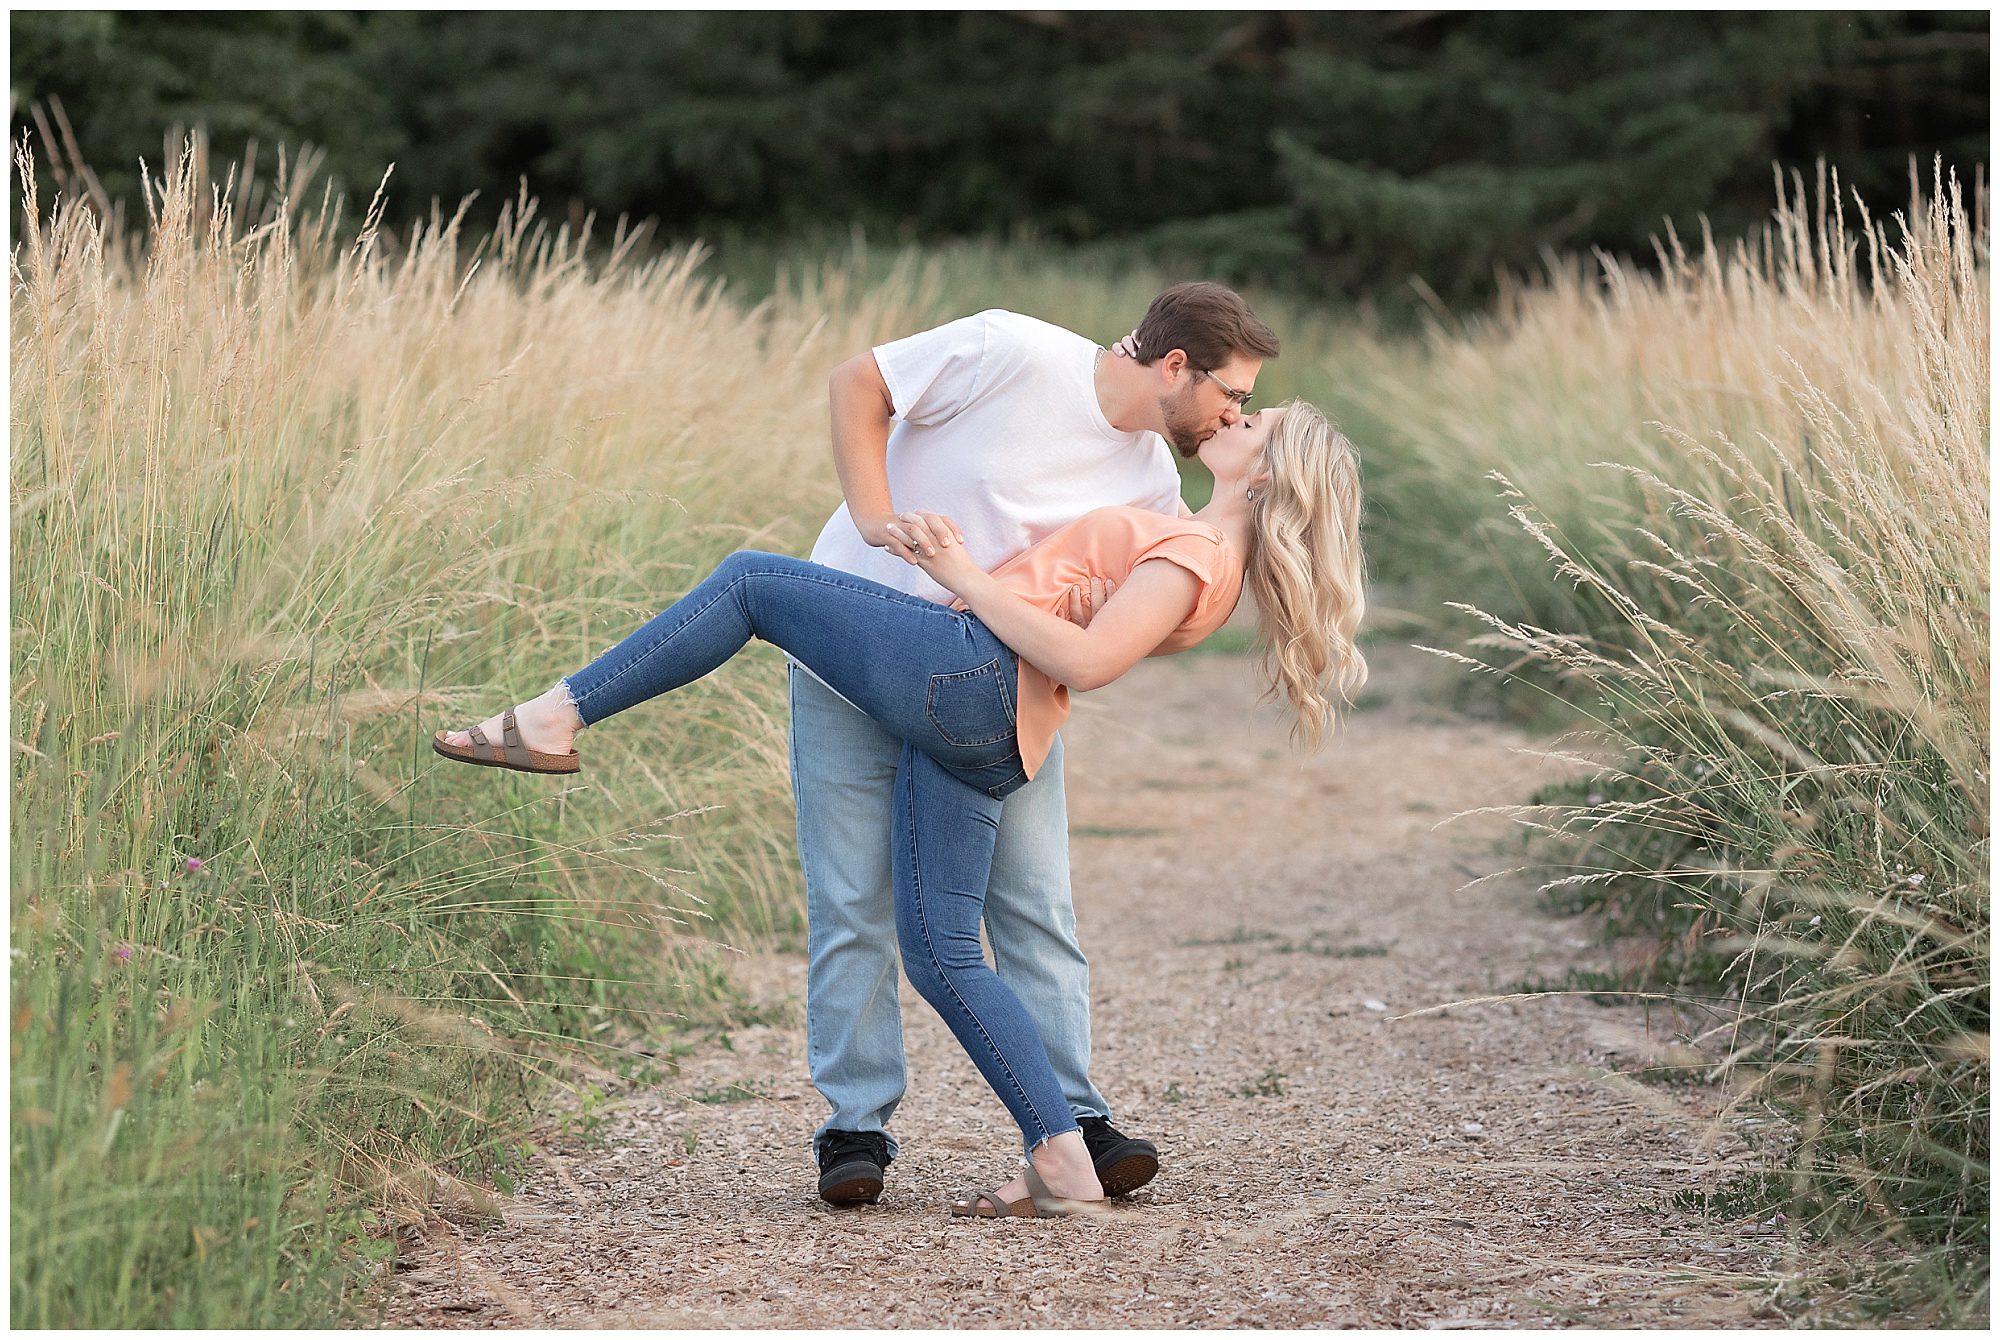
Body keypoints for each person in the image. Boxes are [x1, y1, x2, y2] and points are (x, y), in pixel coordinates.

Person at [433, 398, 1368, 1217]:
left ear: (1277, 472)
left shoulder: (1201, 553)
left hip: (975, 679)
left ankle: (555, 715)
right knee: (941, 951)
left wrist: (962, 575)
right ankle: (1063, 1161)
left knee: (756, 582)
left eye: (1260, 423)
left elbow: (1088, 662)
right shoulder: (1195, 533)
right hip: (992, 727)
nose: (1238, 417)